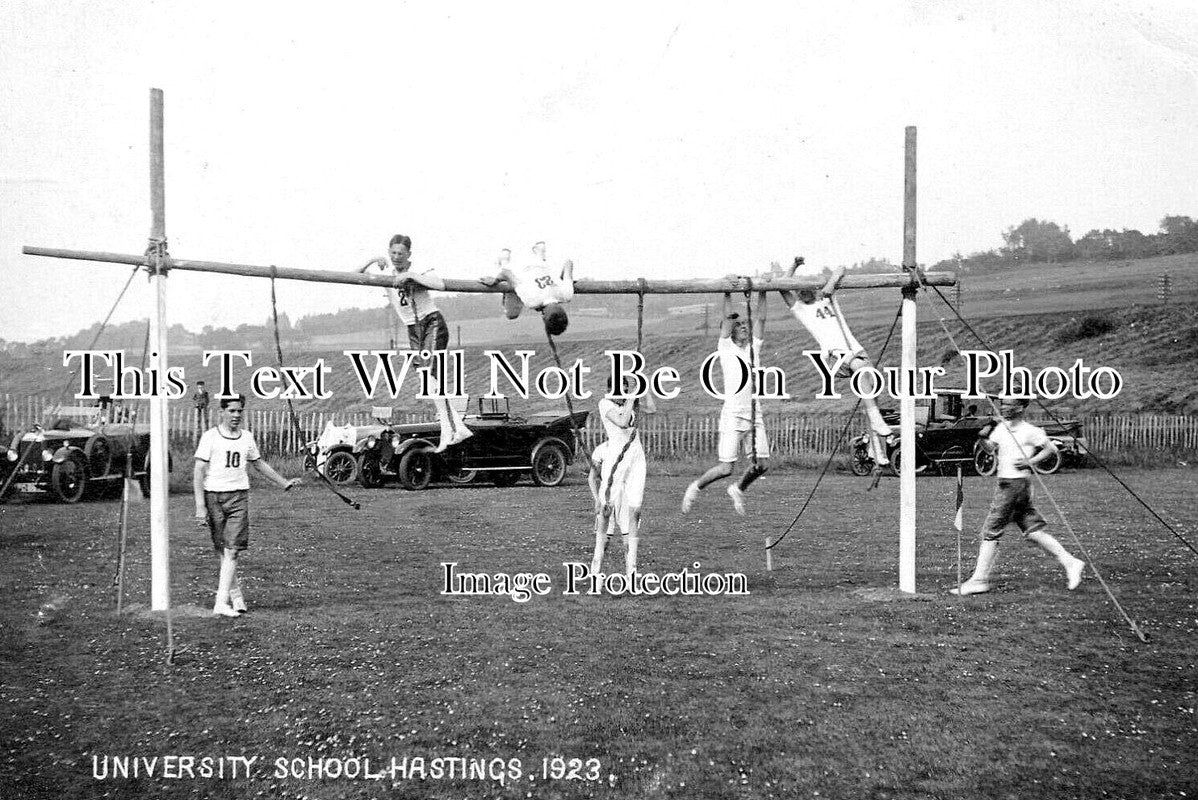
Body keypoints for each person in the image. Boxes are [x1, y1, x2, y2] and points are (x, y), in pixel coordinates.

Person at [951, 397, 1086, 595]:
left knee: (991, 530)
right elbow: (990, 448)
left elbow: (1051, 449)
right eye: (1003, 404)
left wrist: (1030, 461)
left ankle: (979, 580)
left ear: (1021, 407)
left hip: (1014, 486)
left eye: (1009, 404)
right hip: (1008, 484)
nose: (1004, 407)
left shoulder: (1030, 430)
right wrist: (981, 438)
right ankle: (1071, 561)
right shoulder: (1002, 427)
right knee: (1032, 531)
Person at [359, 234, 471, 452]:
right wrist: (374, 259)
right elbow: (353, 275)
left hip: (431, 322)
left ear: (409, 254)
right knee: (428, 382)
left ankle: (451, 429)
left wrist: (411, 275)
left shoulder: (419, 267)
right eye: (393, 253)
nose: (396, 257)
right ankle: (454, 427)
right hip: (413, 328)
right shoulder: (386, 270)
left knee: (430, 375)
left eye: (401, 253)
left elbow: (439, 283)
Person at [194, 395, 300, 617]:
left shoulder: (246, 438)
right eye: (231, 411)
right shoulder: (210, 437)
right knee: (223, 551)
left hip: (238, 498)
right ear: (221, 412)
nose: (236, 415)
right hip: (214, 497)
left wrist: (284, 482)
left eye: (239, 411)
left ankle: (220, 604)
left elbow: (258, 463)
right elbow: (198, 472)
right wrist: (200, 507)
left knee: (233, 550)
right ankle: (236, 596)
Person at [780, 257, 893, 467]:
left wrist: (830, 285)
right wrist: (794, 267)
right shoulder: (801, 310)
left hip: (857, 351)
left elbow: (841, 267)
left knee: (871, 394)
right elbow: (782, 287)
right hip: (836, 357)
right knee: (860, 372)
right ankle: (877, 420)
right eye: (799, 290)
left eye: (808, 288)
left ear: (814, 288)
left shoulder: (827, 298)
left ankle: (875, 449)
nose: (804, 292)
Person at [682, 292, 769, 516]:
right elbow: (726, 317)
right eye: (737, 324)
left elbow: (761, 319)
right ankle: (695, 487)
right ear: (730, 330)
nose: (743, 326)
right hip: (732, 414)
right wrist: (728, 293)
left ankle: (738, 489)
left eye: (744, 324)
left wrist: (763, 292)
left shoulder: (753, 348)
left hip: (754, 413)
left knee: (762, 465)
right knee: (725, 468)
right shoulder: (725, 347)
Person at [589, 376, 656, 579]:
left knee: (635, 512)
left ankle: (632, 572)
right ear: (610, 390)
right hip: (616, 460)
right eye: (621, 390)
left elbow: (652, 409)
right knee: (606, 511)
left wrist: (644, 388)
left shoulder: (630, 402)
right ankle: (596, 569)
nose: (623, 393)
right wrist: (631, 398)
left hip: (636, 459)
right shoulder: (605, 404)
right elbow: (622, 421)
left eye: (626, 389)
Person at [479, 241, 574, 336]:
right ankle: (505, 259)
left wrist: (559, 281)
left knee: (538, 266)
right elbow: (506, 273)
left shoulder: (567, 295)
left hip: (539, 263)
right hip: (518, 269)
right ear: (544, 317)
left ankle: (540, 251)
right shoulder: (532, 301)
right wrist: (495, 281)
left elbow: (568, 263)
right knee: (511, 314)